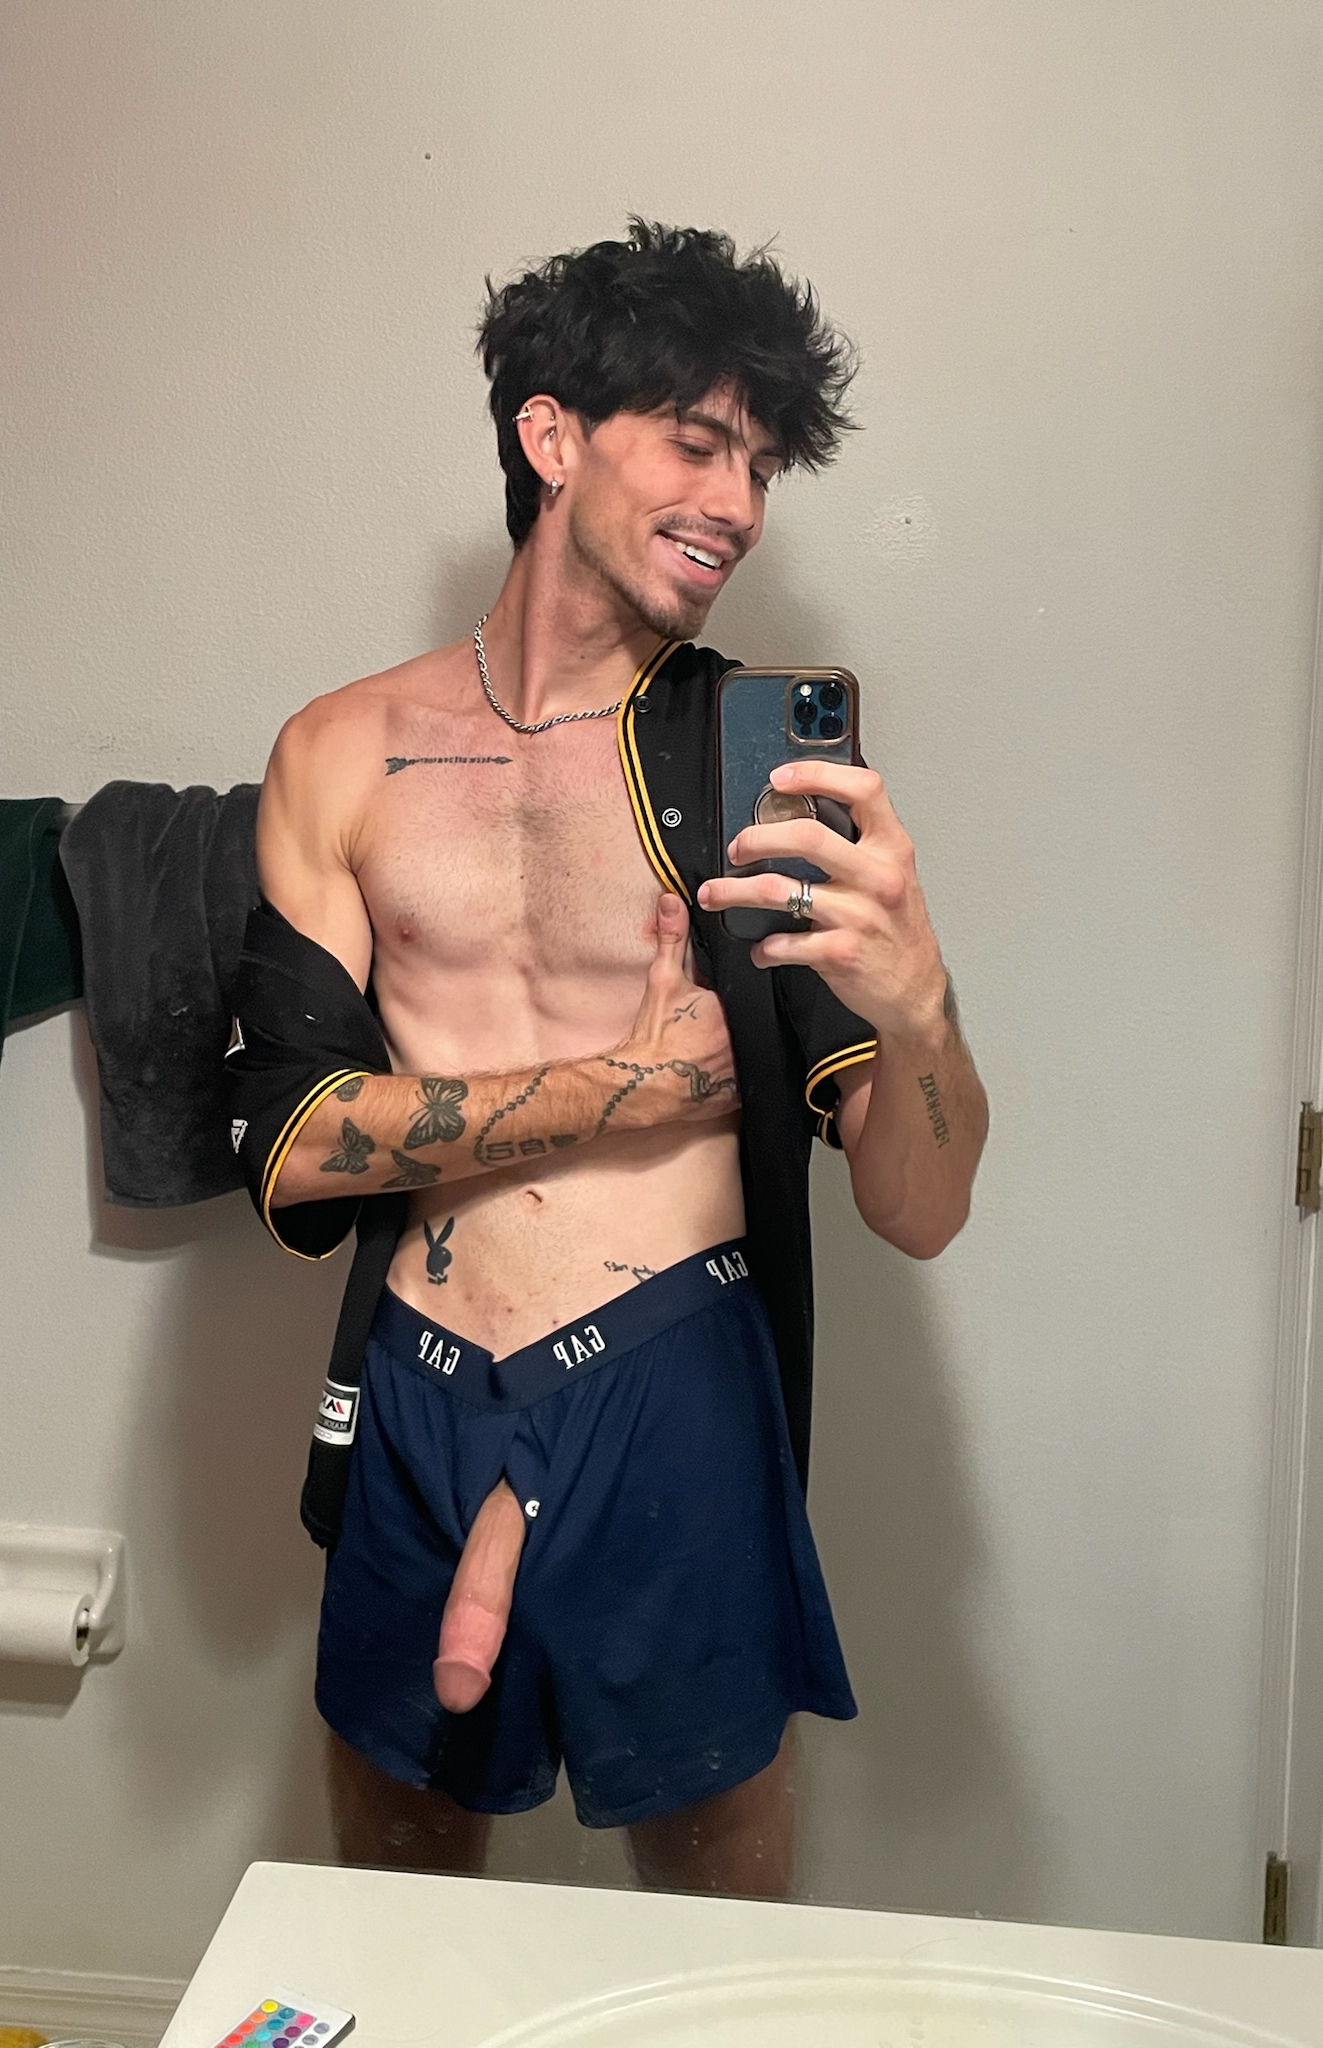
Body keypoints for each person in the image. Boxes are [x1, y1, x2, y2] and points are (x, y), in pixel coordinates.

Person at [226, 222, 987, 1898]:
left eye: (763, 465)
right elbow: (286, 1141)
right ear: (551, 434)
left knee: (721, 1954)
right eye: (699, 442)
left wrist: (921, 1003)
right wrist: (628, 1088)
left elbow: (920, 1209)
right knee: (393, 1924)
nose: (740, 501)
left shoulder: (744, 767)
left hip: (671, 1373)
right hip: (418, 1382)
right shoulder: (341, 751)